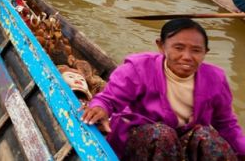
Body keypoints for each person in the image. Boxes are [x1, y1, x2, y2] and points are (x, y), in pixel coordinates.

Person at [82, 19, 245, 159]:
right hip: (141, 140)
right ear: (161, 46)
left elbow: (226, 124)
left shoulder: (215, 78)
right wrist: (100, 107)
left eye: (196, 50)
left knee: (207, 136)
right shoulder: (139, 67)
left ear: (205, 52)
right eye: (178, 48)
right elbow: (108, 99)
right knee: (162, 134)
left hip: (181, 140)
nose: (187, 57)